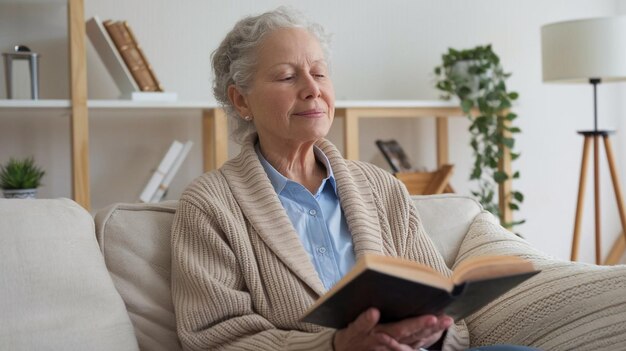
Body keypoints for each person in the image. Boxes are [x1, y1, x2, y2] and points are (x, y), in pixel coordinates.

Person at [170, 7, 540, 351]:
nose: (312, 89)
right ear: (241, 101)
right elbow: (214, 340)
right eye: (287, 76)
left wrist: (427, 331)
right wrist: (335, 346)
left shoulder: (382, 187)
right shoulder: (209, 206)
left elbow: (450, 315)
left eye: (319, 73)